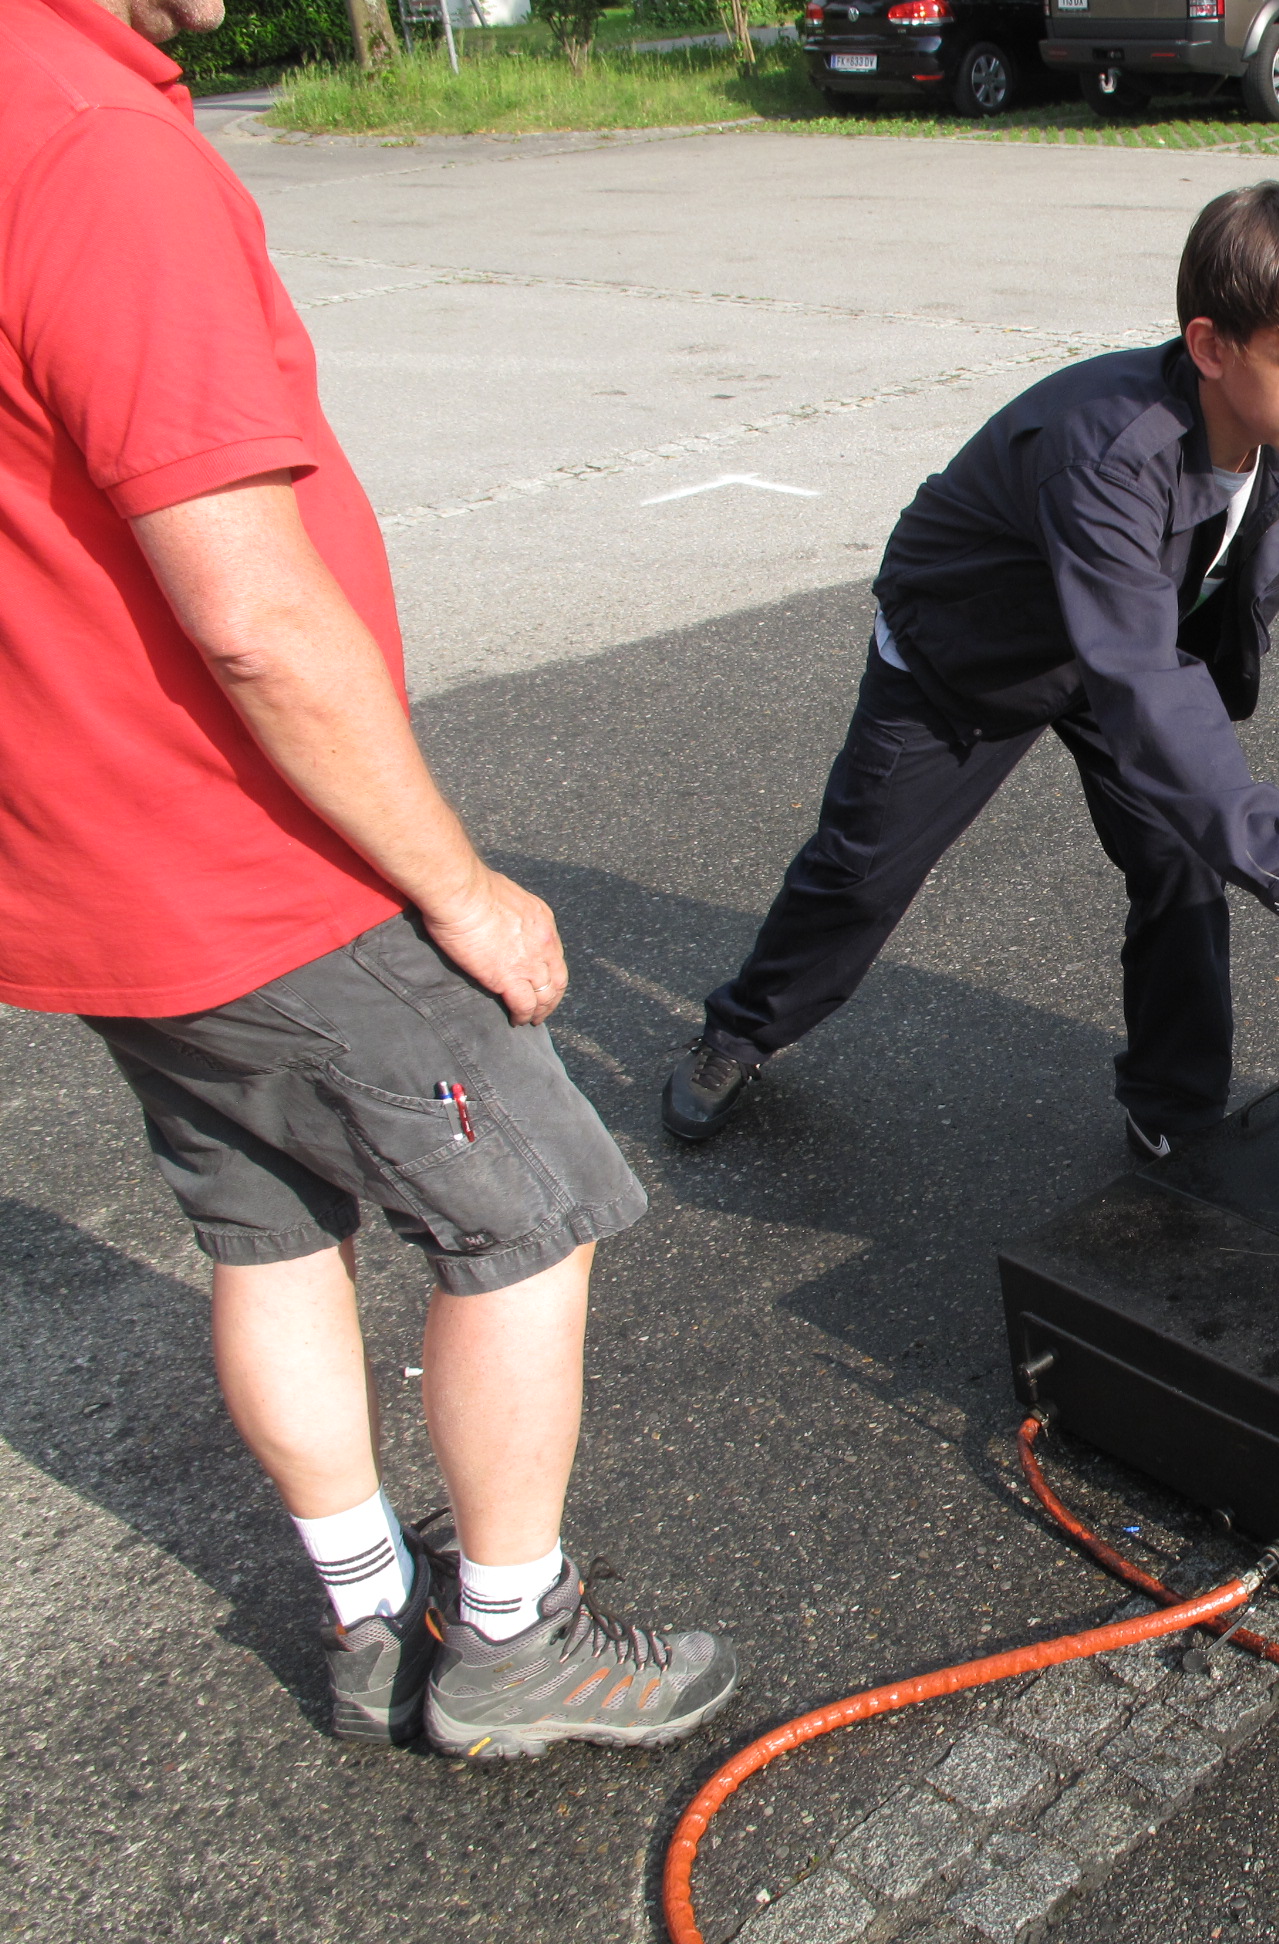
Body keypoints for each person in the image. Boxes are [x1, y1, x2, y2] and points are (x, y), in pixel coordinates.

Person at [0, 0, 737, 1757]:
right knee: (533, 1210)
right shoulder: (100, 154)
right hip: (251, 853)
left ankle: (367, 1613)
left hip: (85, 856)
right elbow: (253, 614)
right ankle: (513, 1638)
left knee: (264, 1225)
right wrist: (461, 886)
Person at [667, 182, 1279, 1152]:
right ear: (1210, 346)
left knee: (1180, 861)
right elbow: (1150, 693)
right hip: (973, 655)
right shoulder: (1108, 455)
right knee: (860, 874)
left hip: (1127, 647)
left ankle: (1172, 1115)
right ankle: (741, 1031)